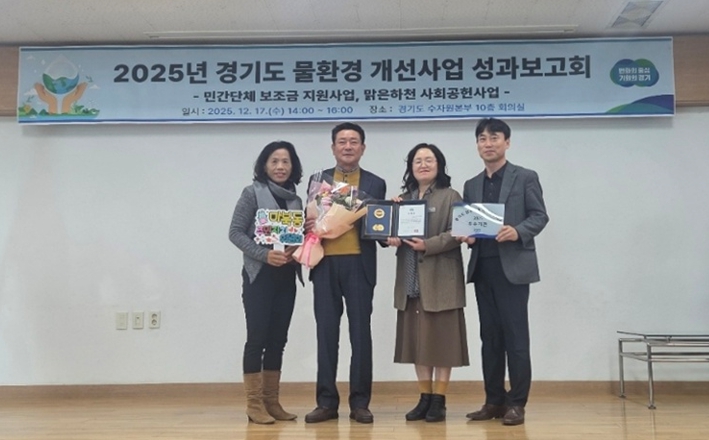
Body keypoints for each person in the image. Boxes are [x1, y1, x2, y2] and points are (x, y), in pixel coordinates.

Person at [461, 118, 549, 426]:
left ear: (507, 142)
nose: (488, 143)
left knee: (516, 338)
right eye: (482, 139)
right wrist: (468, 236)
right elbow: (470, 225)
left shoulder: (525, 177)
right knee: (490, 338)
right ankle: (494, 400)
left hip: (513, 268)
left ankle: (517, 403)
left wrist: (518, 231)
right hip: (483, 267)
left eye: (494, 137)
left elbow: (539, 216)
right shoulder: (471, 184)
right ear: (477, 145)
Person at [304, 122, 386, 424]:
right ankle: (326, 402)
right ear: (333, 147)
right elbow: (310, 218)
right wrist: (308, 224)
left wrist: (392, 229)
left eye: (353, 141)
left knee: (360, 334)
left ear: (363, 148)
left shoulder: (376, 183)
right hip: (324, 264)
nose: (348, 146)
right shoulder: (318, 180)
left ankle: (360, 403)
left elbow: (378, 224)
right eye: (342, 141)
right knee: (326, 334)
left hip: (359, 265)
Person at [387, 143, 469, 423]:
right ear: (410, 167)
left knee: (442, 342)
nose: (423, 164)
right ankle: (424, 397)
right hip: (410, 279)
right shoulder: (402, 199)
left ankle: (439, 400)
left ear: (439, 164)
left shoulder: (451, 196)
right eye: (417, 160)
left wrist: (428, 244)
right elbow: (389, 234)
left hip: (441, 279)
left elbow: (458, 232)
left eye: (429, 160)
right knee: (418, 341)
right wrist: (391, 231)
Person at [229, 141, 304, 424]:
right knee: (257, 339)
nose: (280, 167)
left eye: (286, 161)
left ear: (293, 167)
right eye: (274, 161)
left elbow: (295, 239)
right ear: (264, 165)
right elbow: (235, 232)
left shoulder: (296, 200)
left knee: (278, 341)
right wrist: (264, 255)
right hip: (259, 277)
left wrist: (300, 246)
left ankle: (272, 402)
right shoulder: (251, 193)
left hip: (287, 278)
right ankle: (254, 404)